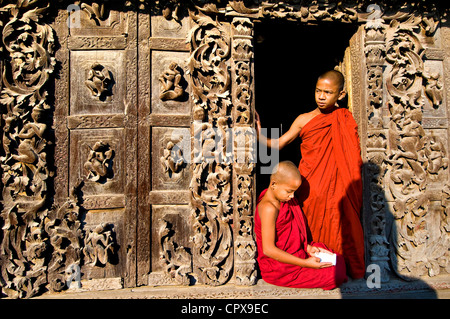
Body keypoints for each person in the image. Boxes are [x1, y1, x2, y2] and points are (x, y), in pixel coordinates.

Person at [256, 70, 365, 279]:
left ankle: (340, 264)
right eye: (318, 91)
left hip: (339, 184)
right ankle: (312, 263)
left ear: (340, 95)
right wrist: (259, 133)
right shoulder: (304, 119)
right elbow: (280, 143)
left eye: (328, 92)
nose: (321, 96)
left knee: (342, 221)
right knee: (309, 224)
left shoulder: (345, 118)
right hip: (310, 184)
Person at [255, 161, 347, 290]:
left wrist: (307, 247)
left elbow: (291, 235)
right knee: (335, 274)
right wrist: (305, 263)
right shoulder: (268, 208)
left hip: (297, 253)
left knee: (336, 258)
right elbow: (268, 249)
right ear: (273, 184)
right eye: (289, 191)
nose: (292, 196)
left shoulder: (284, 200)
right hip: (280, 268)